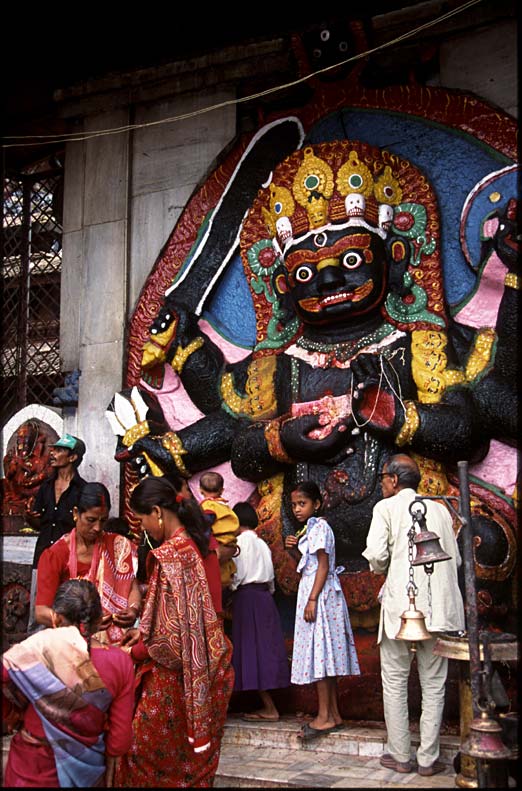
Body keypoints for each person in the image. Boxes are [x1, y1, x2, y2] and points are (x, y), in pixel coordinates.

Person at [114, 476, 234, 787]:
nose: (143, 529)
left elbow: (169, 641)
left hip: (174, 681)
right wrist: (144, 634)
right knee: (188, 767)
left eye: (141, 521)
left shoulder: (172, 556)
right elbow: (185, 617)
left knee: (142, 756)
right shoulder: (193, 546)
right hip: (203, 669)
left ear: (156, 512)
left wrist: (133, 652)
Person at [362, 453, 465, 776]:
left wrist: (386, 567)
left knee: (394, 680)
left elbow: (377, 556)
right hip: (441, 608)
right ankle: (427, 760)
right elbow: (458, 563)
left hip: (402, 610)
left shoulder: (386, 508)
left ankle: (400, 754)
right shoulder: (440, 509)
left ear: (393, 480)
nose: (382, 485)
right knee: (434, 683)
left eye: (382, 479)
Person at [2, 578, 135, 788]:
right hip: (88, 772)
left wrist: (13, 714)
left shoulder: (35, 649)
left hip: (29, 769)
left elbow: (4, 678)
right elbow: (120, 741)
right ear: (98, 619)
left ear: (55, 618)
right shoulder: (120, 662)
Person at [284, 481, 360, 739]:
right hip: (317, 593)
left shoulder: (320, 527)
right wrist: (294, 549)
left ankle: (325, 716)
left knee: (321, 654)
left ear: (316, 504)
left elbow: (323, 566)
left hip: (320, 596)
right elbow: (308, 565)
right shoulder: (310, 530)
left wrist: (313, 599)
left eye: (302, 504)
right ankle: (333, 714)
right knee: (323, 653)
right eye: (294, 504)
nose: (297, 509)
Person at [34, 482, 141, 645]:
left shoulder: (118, 546)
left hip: (118, 644)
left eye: (103, 520)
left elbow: (132, 586)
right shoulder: (55, 555)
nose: (98, 528)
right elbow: (41, 612)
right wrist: (83, 626)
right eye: (91, 520)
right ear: (76, 513)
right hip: (71, 644)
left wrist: (133, 609)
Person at [230, 501, 290, 721]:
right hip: (265, 597)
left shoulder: (238, 543)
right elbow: (272, 577)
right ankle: (268, 704)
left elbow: (237, 575)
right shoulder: (262, 544)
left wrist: (230, 588)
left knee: (251, 651)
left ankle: (269, 707)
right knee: (265, 649)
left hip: (247, 598)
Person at [25, 433, 87, 632]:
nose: (52, 453)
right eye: (54, 449)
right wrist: (30, 518)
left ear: (72, 457)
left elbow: (84, 528)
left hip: (69, 561)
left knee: (67, 614)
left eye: (59, 450)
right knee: (38, 616)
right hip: (43, 554)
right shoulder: (45, 487)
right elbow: (40, 524)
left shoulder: (83, 490)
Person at [199, 471, 240, 588]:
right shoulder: (224, 506)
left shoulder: (208, 506)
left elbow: (205, 526)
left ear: (200, 490)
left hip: (218, 544)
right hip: (229, 543)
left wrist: (210, 545)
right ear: (222, 490)